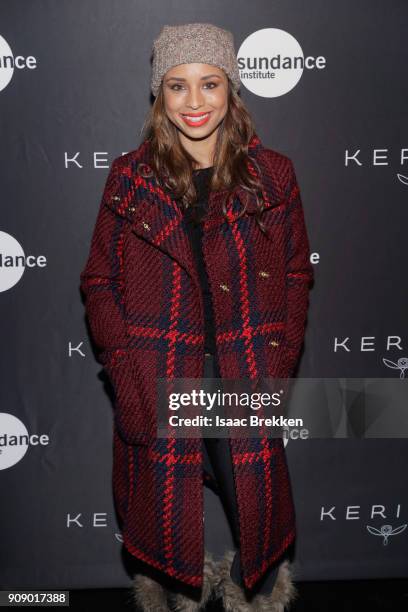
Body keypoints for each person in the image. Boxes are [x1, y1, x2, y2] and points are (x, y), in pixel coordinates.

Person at [79, 22, 313, 612]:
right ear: (159, 94)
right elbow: (99, 281)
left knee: (252, 503)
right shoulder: (129, 179)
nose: (195, 102)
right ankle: (175, 591)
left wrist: (279, 366)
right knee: (167, 509)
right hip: (160, 372)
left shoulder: (274, 175)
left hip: (242, 372)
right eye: (177, 86)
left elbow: (294, 274)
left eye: (210, 84)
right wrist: (126, 373)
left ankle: (257, 590)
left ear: (232, 89)